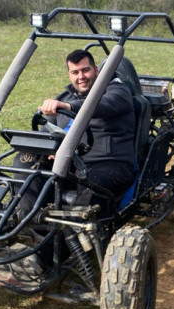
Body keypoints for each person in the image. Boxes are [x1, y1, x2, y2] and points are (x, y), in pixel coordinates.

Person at [15, 48, 136, 212]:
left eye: (86, 70)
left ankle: (73, 233)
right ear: (69, 75)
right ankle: (26, 218)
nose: (81, 77)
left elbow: (103, 105)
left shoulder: (117, 91)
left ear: (96, 70)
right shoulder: (64, 97)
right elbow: (46, 133)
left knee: (90, 185)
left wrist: (69, 107)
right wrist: (48, 149)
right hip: (70, 163)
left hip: (108, 164)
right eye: (75, 72)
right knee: (25, 158)